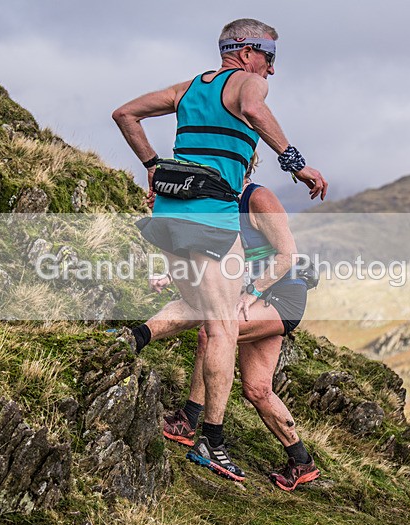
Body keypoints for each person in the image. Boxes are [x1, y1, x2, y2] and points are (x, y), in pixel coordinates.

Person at [112, 18, 327, 482]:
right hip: (211, 212)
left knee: (202, 311)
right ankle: (211, 440)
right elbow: (252, 107)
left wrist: (152, 166)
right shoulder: (248, 82)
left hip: (169, 212)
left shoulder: (187, 88)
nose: (271, 71)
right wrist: (297, 164)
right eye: (271, 59)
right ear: (249, 52)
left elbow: (124, 113)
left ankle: (128, 345)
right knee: (222, 325)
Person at [150, 160, 319, 490]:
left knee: (213, 331)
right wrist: (170, 274)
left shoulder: (257, 198)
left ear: (243, 164)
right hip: (252, 298)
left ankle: (189, 422)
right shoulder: (218, 204)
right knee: (257, 389)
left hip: (282, 294)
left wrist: (254, 292)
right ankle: (302, 461)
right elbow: (213, 257)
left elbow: (289, 255)